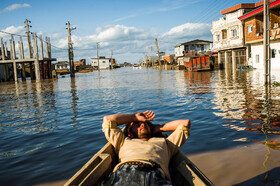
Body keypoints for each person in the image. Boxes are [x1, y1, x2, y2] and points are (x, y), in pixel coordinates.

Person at [101, 110, 191, 186]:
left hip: (155, 175)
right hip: (123, 174)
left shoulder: (167, 143)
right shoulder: (123, 141)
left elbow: (185, 123)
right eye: (137, 124)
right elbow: (107, 119)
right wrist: (134, 117)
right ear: (130, 133)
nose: (142, 125)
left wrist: (159, 128)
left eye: (145, 124)